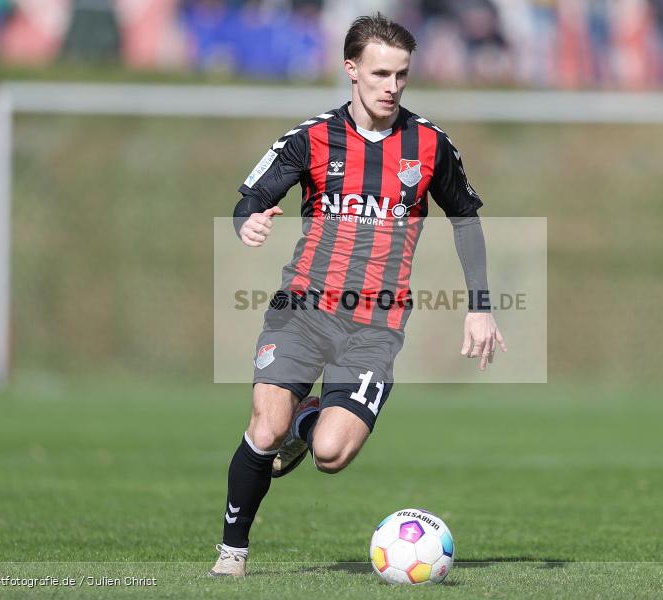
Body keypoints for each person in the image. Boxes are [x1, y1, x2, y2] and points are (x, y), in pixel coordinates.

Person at [209, 12, 506, 578]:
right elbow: (248, 199)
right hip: (301, 308)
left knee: (330, 455)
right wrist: (247, 223)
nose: (391, 86)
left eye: (401, 75)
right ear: (351, 70)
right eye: (379, 74)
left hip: (375, 325)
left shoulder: (430, 144)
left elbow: (466, 219)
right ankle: (232, 553)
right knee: (264, 427)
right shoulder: (310, 138)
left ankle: (309, 426)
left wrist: (481, 308)